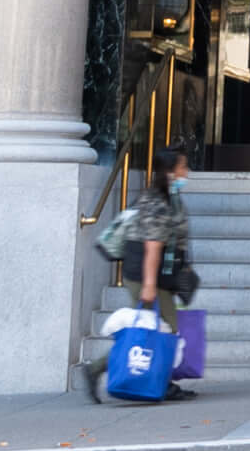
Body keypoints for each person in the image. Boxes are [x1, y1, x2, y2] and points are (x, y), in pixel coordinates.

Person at [80, 147, 197, 405]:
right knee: (160, 330)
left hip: (160, 275)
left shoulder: (168, 197)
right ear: (169, 171)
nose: (186, 172)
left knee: (161, 328)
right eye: (182, 168)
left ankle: (162, 382)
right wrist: (149, 284)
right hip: (147, 274)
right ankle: (98, 369)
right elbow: (153, 246)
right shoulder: (157, 201)